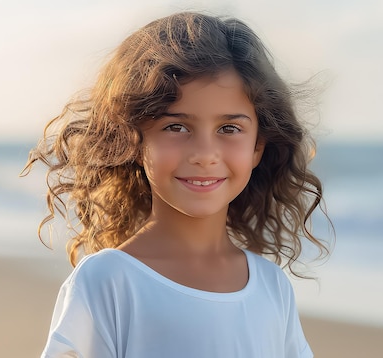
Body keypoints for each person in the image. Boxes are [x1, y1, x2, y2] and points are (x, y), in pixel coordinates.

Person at [23, 11, 329, 358]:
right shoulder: (108, 281)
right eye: (176, 127)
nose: (204, 154)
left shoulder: (272, 287)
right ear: (134, 140)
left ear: (258, 147)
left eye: (229, 129)